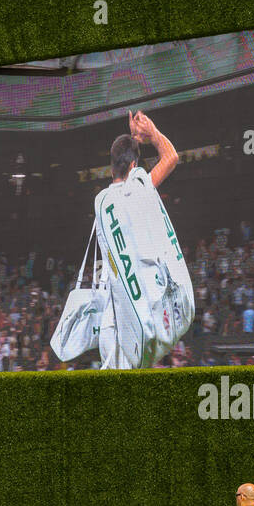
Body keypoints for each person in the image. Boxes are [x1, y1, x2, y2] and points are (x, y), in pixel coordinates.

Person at [53, 110, 194, 369]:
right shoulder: (140, 192)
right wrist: (150, 133)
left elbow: (126, 168)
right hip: (135, 316)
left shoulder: (104, 204)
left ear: (111, 166)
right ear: (133, 166)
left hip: (111, 319)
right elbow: (171, 157)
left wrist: (133, 139)